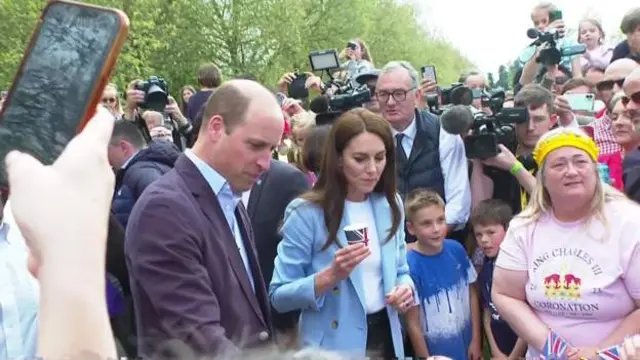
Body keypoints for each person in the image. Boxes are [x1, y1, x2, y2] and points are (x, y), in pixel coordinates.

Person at [125, 80, 282, 358]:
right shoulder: (165, 209)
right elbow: (200, 337)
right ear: (216, 128)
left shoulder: (227, 195)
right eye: (256, 145)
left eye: (271, 149)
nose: (265, 163)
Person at [270, 108, 416, 359]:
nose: (372, 168)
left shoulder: (390, 203)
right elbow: (279, 296)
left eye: (380, 157)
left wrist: (405, 288)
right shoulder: (307, 212)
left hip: (387, 336)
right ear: (338, 159)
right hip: (333, 345)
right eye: (360, 159)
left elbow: (401, 270)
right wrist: (330, 276)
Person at [492, 127, 640, 359]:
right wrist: (556, 350)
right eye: (559, 165)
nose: (571, 171)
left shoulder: (630, 222)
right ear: (543, 178)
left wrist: (600, 354)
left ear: (594, 170)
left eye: (580, 162)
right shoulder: (524, 226)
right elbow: (505, 294)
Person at [403, 189, 481, 360]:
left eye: (441, 220)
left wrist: (476, 339)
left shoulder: (456, 249)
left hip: (467, 344)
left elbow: (472, 294)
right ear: (411, 228)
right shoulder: (408, 266)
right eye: (426, 223)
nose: (436, 229)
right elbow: (412, 323)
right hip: (436, 352)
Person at [470, 199, 526, 359]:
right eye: (479, 234)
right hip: (499, 343)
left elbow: (529, 317)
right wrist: (495, 350)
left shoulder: (518, 269)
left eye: (490, 232)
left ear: (508, 230)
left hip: (522, 345)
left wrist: (514, 356)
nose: (484, 240)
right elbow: (488, 311)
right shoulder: (485, 268)